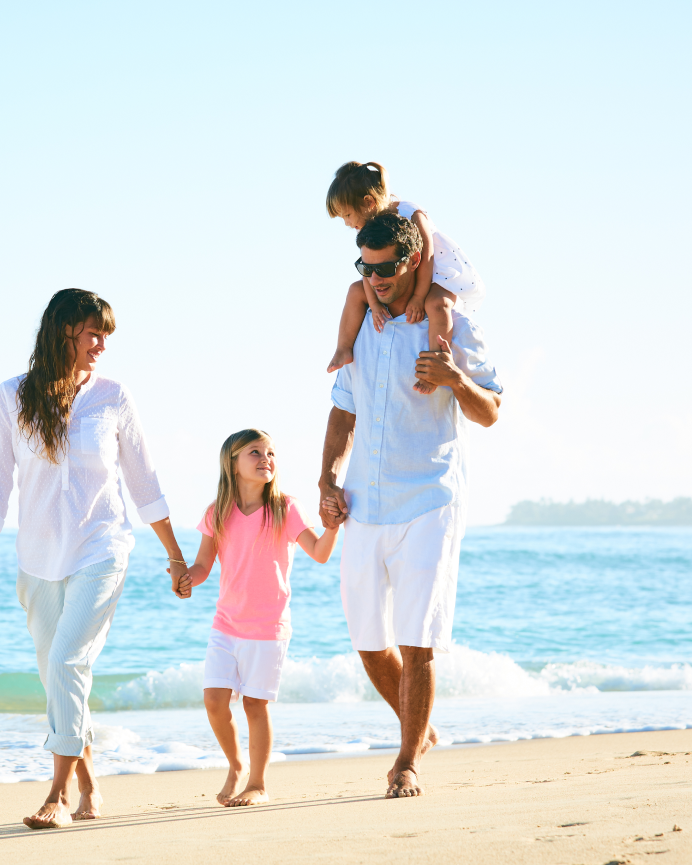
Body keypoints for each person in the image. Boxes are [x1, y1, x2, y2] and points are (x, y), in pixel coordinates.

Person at [0, 288, 189, 829]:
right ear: (63, 331)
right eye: (94, 333)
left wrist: (176, 557)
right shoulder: (11, 396)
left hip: (102, 548)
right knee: (57, 677)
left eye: (106, 335)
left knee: (68, 662)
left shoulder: (114, 396)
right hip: (38, 558)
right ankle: (90, 782)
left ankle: (57, 795)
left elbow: (144, 481)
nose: (101, 345)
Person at [318, 212, 502, 798]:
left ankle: (406, 764)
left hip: (429, 498)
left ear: (412, 262)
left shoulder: (451, 323)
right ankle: (419, 730)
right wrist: (327, 476)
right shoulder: (361, 327)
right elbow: (343, 408)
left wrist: (453, 378)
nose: (375, 280)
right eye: (364, 269)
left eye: (386, 269)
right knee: (371, 644)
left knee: (418, 640)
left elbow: (490, 411)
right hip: (365, 505)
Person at [177, 429, 340, 807]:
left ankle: (258, 783)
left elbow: (318, 553)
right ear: (232, 463)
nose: (266, 458)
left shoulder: (284, 507)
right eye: (255, 452)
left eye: (270, 453)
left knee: (254, 705)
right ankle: (235, 766)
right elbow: (203, 565)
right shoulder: (217, 511)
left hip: (268, 629)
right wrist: (188, 579)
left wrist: (333, 527)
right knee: (214, 701)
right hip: (226, 625)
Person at [324, 161, 486, 396]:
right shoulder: (370, 228)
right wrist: (375, 305)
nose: (347, 223)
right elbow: (369, 270)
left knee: (436, 305)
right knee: (354, 291)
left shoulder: (409, 211)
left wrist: (420, 297)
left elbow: (427, 256)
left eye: (347, 215)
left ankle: (436, 365)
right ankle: (343, 348)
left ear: (368, 202)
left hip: (438, 273)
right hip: (399, 272)